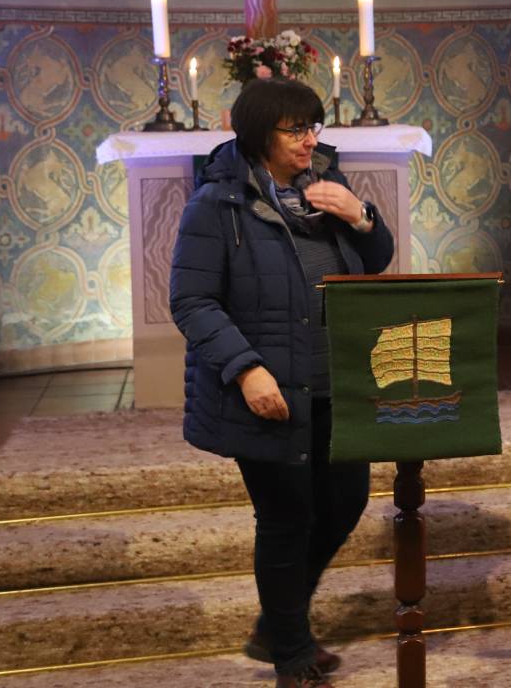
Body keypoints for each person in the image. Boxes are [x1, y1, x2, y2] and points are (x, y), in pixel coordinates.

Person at [170, 77, 394, 688]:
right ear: (259, 134)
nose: (309, 140)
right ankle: (291, 652)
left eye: (313, 127)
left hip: (333, 380)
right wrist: (245, 369)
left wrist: (363, 216)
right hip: (267, 389)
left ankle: (276, 621)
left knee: (345, 503)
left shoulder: (328, 188)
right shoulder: (217, 205)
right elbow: (192, 302)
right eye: (295, 129)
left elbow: (376, 260)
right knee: (286, 516)